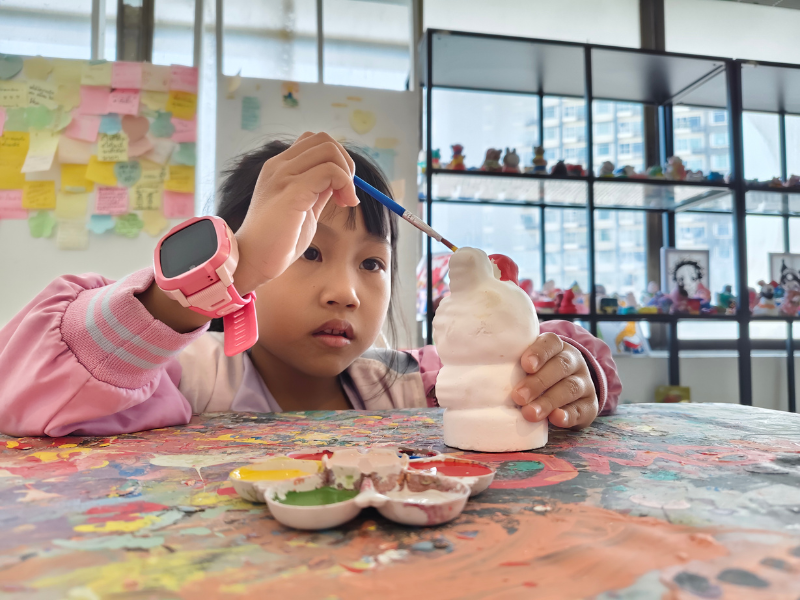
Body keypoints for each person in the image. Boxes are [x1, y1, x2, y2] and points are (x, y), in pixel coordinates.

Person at [0, 133, 621, 438]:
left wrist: (559, 371)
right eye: (309, 252)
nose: (344, 292)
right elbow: (29, 382)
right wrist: (231, 268)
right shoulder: (185, 378)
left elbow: (539, 357)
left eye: (372, 265)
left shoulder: (410, 384)